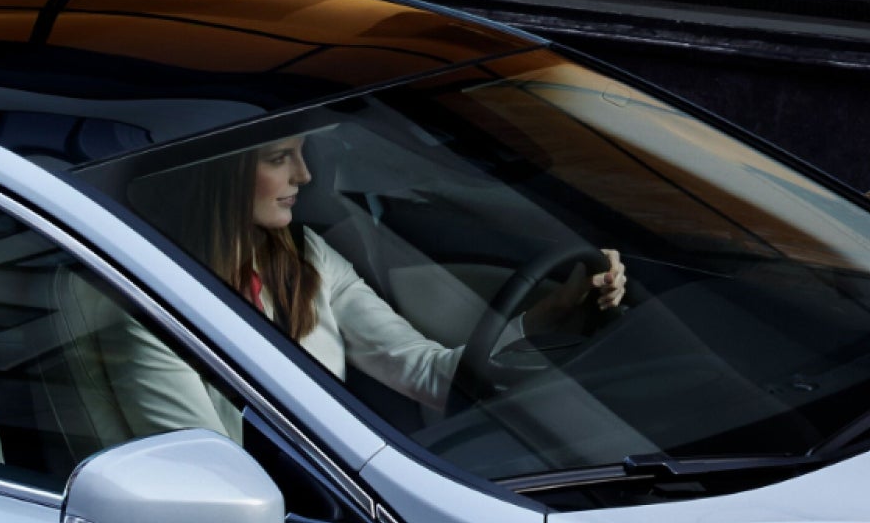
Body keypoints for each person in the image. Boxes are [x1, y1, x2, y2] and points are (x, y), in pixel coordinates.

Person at [188, 134, 626, 411]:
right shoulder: (162, 291)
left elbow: (426, 373)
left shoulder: (307, 256)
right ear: (226, 173)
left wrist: (552, 311)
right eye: (280, 157)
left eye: (302, 153)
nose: (305, 175)